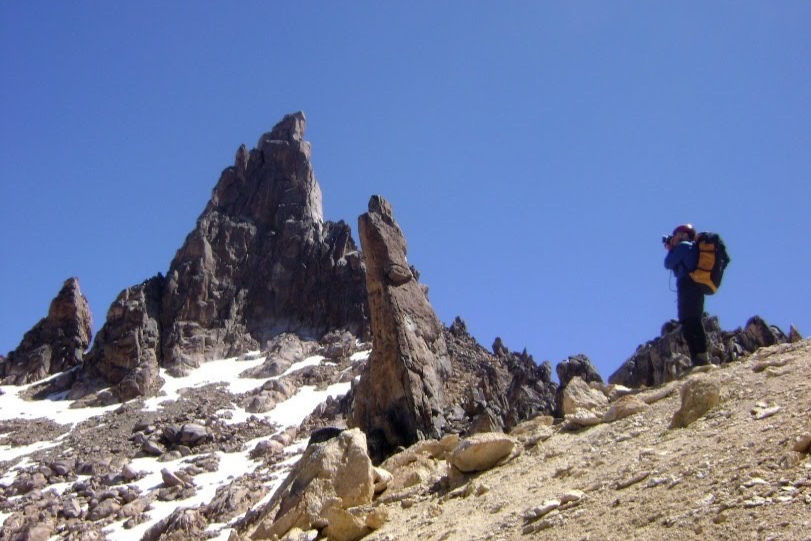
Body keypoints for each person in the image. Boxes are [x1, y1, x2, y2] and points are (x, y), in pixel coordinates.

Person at [664, 224, 710, 366]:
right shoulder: (687, 247)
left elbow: (668, 263)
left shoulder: (684, 246)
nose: (675, 236)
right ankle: (698, 357)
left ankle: (701, 356)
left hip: (689, 285)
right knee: (688, 320)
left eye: (677, 233)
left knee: (691, 320)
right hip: (689, 286)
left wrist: (671, 250)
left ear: (685, 234)